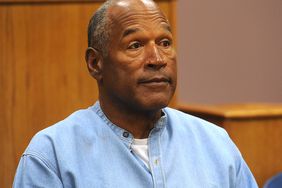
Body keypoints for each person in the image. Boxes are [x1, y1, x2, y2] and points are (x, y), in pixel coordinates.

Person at [13, 0, 258, 187]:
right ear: (95, 63)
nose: (158, 59)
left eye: (165, 43)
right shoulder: (51, 155)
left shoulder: (215, 144)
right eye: (135, 45)